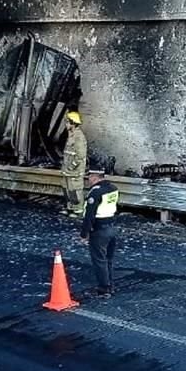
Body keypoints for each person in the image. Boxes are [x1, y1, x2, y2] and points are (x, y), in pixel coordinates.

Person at [80, 168, 119, 298]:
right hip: (112, 226)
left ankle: (103, 289)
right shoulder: (113, 188)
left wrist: (84, 234)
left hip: (100, 229)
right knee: (108, 259)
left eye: (89, 177)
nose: (88, 180)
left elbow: (89, 216)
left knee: (99, 260)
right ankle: (110, 285)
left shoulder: (95, 192)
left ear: (95, 177)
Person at [60, 111, 87, 218]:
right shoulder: (71, 135)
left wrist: (71, 167)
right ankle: (70, 208)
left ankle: (78, 211)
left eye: (67, 122)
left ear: (73, 123)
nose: (66, 125)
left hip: (74, 171)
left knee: (75, 190)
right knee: (67, 190)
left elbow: (80, 156)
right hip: (67, 170)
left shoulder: (79, 137)